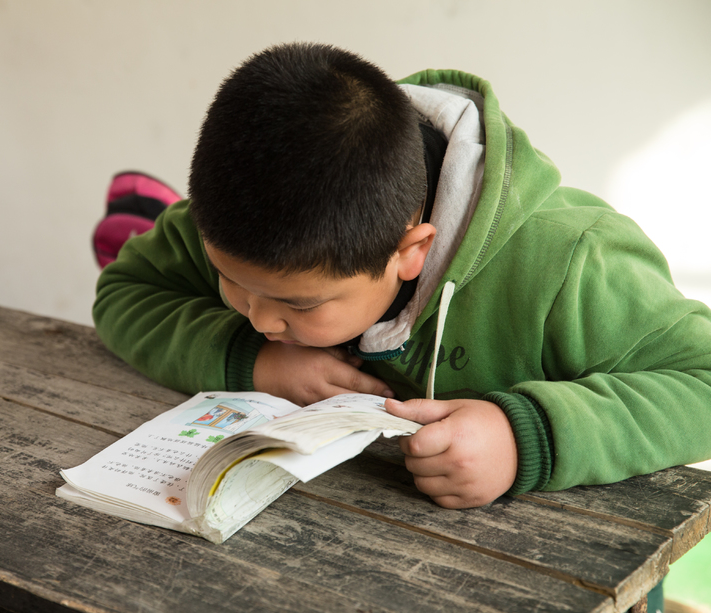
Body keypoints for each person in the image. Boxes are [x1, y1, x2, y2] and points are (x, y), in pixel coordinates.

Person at [92, 42, 711, 512]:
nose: (258, 317)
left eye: (297, 306)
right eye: (232, 284)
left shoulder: (574, 263)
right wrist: (252, 359)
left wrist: (528, 437)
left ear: (410, 252)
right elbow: (123, 291)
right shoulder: (242, 219)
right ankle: (148, 215)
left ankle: (137, 209)